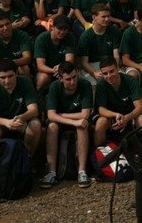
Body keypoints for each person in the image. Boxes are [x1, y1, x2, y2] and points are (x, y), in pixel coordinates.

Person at [41, 61, 93, 189]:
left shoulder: (85, 84)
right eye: (68, 79)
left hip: (72, 120)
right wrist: (73, 120)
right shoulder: (54, 87)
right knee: (52, 127)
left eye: (74, 77)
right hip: (63, 123)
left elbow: (85, 114)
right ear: (60, 79)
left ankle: (82, 171)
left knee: (82, 126)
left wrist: (60, 115)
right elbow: (50, 116)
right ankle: (51, 172)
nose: (72, 82)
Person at [0, 58, 42, 163]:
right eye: (3, 77)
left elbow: (34, 110)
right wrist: (6, 122)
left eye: (10, 76)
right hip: (1, 124)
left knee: (35, 124)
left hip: (20, 122)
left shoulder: (25, 82)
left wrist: (21, 117)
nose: (7, 81)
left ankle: (26, 161)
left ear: (16, 73)